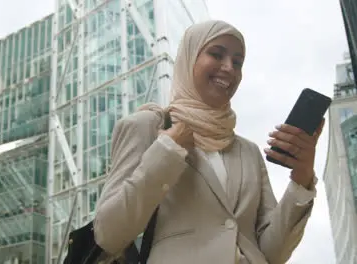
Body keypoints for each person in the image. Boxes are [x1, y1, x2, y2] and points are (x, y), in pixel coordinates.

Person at [93, 20, 323, 264]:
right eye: (216, 54)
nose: (229, 68)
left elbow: (271, 253)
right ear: (190, 57)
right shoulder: (148, 126)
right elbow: (109, 234)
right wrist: (167, 152)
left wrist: (302, 176)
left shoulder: (248, 151)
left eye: (238, 62)